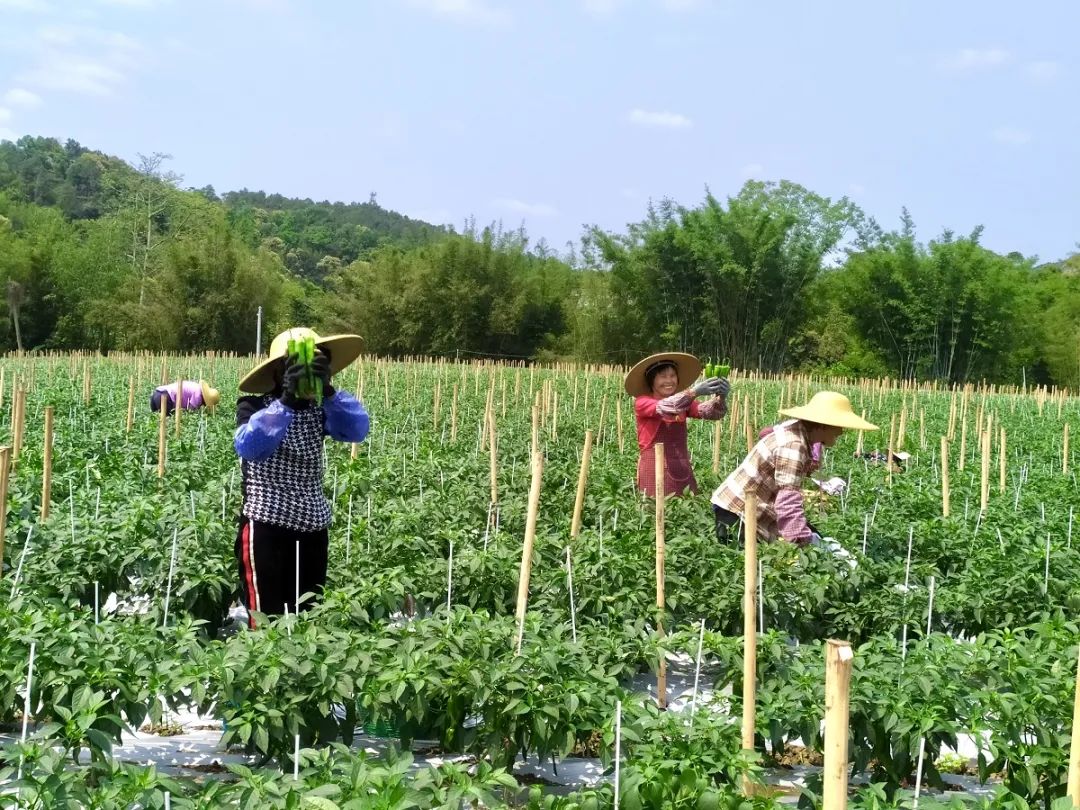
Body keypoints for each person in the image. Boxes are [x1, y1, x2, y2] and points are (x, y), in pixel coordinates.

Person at [233, 327, 370, 626]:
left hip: (312, 527)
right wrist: (287, 402)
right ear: (277, 373)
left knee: (307, 618)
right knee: (266, 622)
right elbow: (251, 447)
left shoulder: (322, 408)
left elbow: (357, 429)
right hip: (266, 526)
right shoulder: (254, 406)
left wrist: (330, 392)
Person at [711, 391, 877, 545]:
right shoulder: (793, 445)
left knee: (812, 536)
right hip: (736, 514)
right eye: (838, 426)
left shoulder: (798, 434)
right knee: (752, 566)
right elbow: (787, 500)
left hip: (745, 508)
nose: (841, 432)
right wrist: (799, 540)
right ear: (823, 425)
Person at [624, 352, 729, 497]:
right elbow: (668, 406)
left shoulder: (684, 403)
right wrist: (693, 392)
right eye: (663, 376)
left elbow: (710, 413)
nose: (669, 380)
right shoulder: (642, 402)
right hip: (653, 467)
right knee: (655, 511)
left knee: (687, 510)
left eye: (672, 376)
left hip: (682, 467)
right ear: (652, 381)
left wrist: (721, 397)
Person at [149, 380, 221, 414]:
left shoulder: (196, 386)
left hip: (157, 393)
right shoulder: (198, 396)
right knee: (166, 424)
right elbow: (190, 411)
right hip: (166, 398)